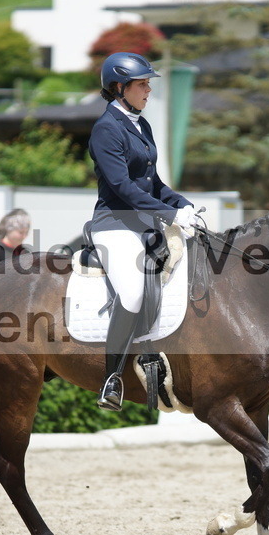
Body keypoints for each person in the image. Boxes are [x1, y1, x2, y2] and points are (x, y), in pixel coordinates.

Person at [88, 51, 199, 411]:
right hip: (115, 225)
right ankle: (112, 378)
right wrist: (169, 214)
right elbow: (122, 188)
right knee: (133, 293)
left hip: (145, 224)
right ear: (119, 88)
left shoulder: (141, 125)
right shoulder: (106, 129)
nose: (149, 90)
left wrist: (182, 204)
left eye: (148, 83)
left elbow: (154, 184)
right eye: (142, 84)